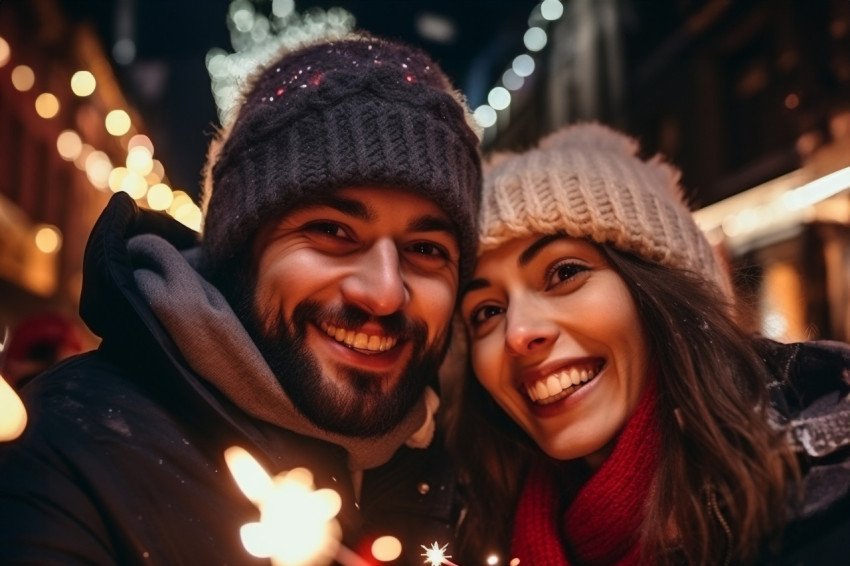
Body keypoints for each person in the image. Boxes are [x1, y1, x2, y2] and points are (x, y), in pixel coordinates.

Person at [0, 33, 482, 565]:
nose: (385, 292)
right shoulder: (65, 449)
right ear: (239, 250)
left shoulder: (471, 468)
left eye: (425, 248)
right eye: (332, 231)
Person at [450, 123, 850, 565]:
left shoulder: (825, 499)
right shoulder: (472, 528)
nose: (519, 334)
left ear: (660, 292)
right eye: (486, 311)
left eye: (564, 273)